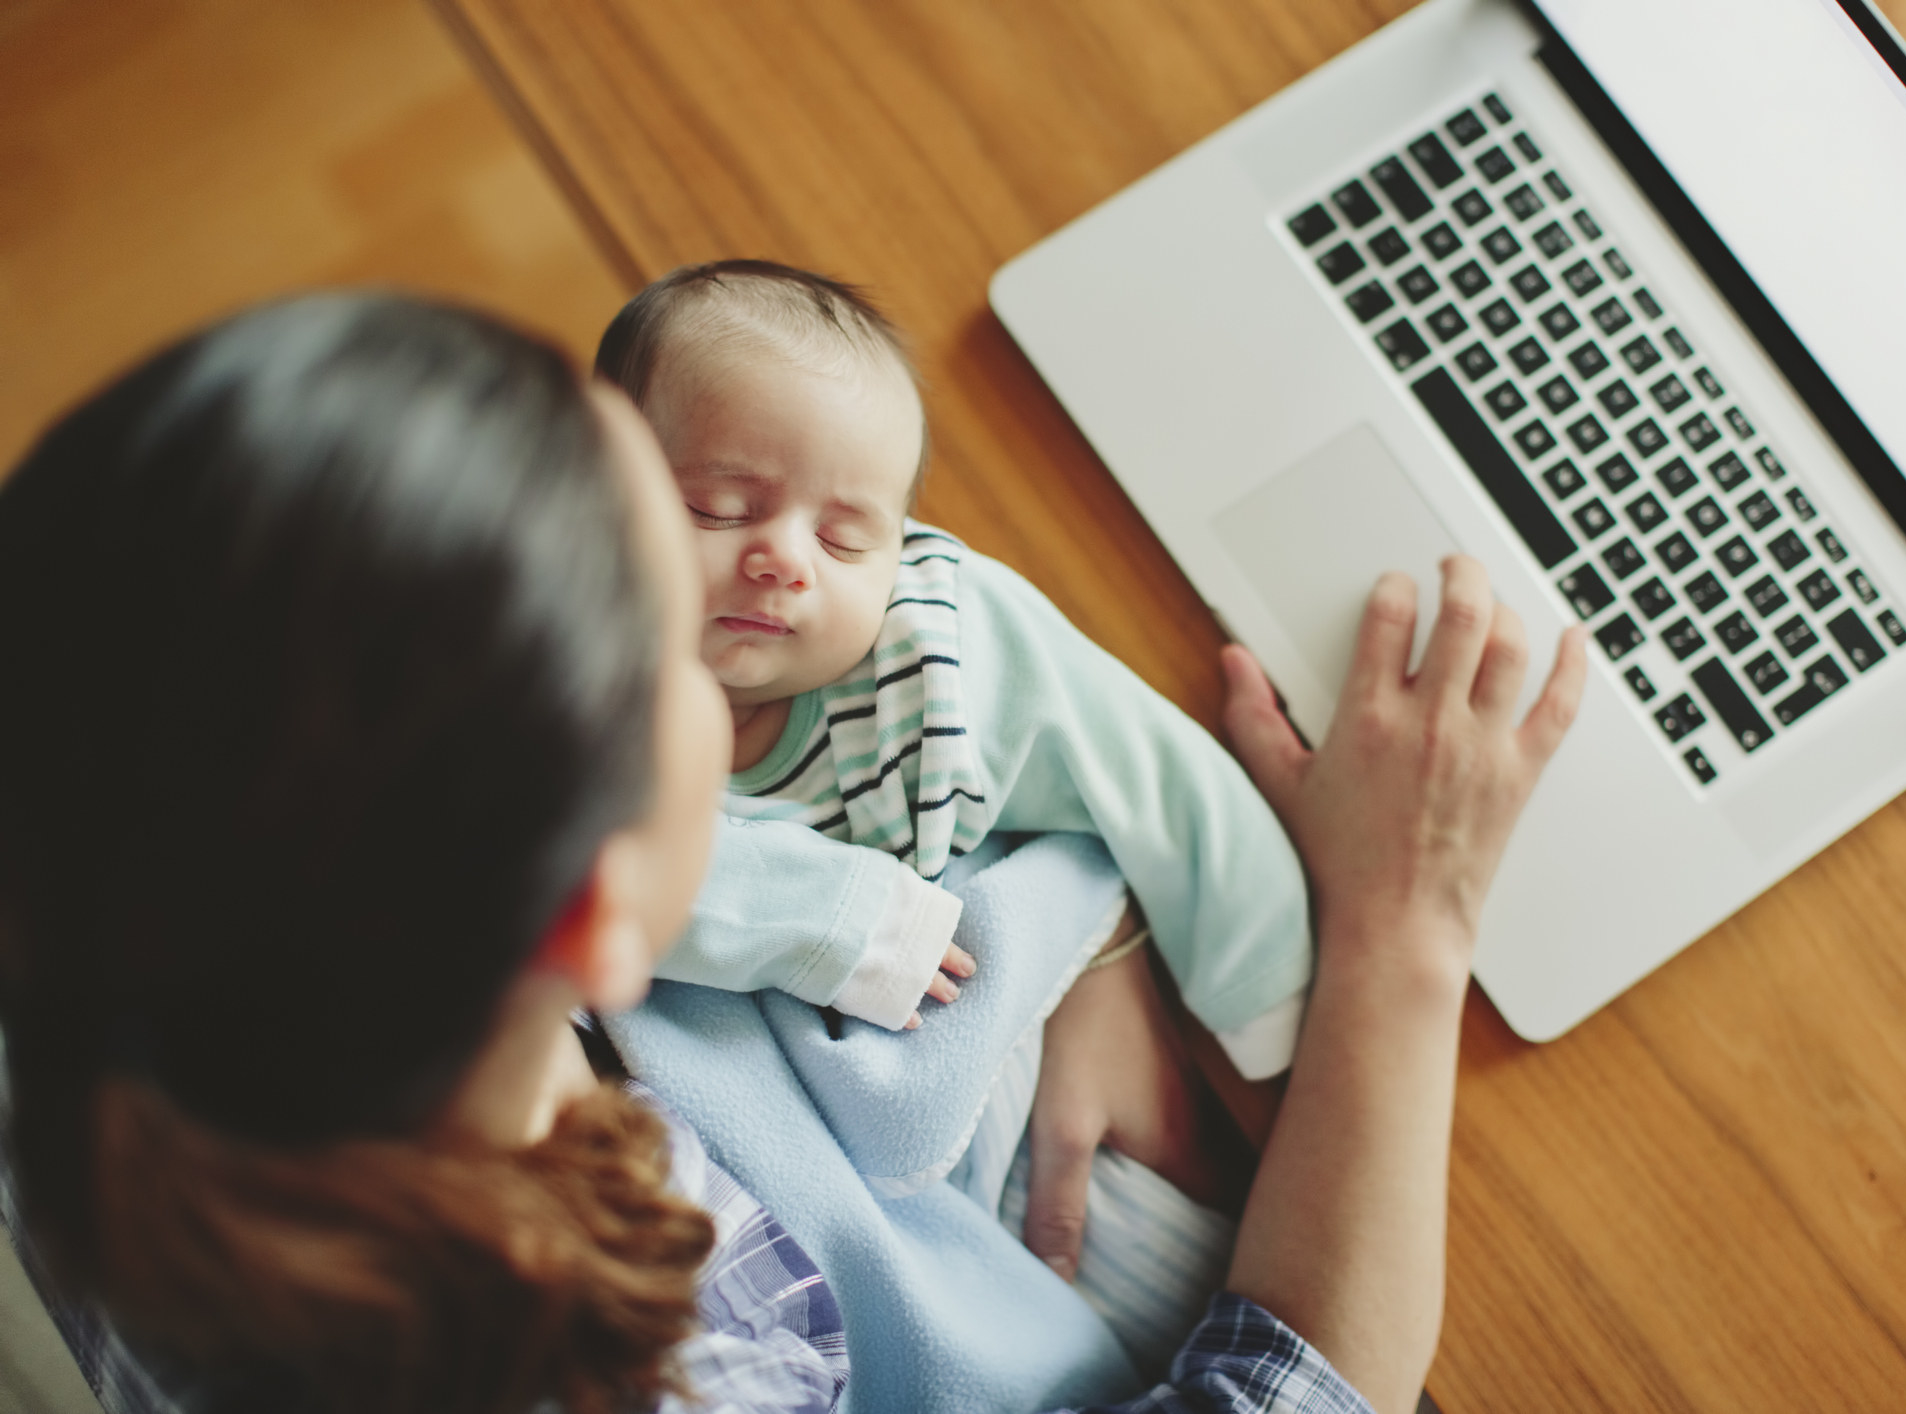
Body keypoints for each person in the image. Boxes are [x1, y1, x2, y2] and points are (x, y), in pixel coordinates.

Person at [0, 292, 1585, 1413]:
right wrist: (1403, 932)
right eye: (669, 647)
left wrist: (1076, 933)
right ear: (616, 905)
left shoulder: (106, 867)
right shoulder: (703, 1367)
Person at [594, 260, 1312, 1089]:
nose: (786, 561)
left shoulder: (938, 647)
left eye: (844, 540)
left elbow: (1155, 774)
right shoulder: (540, 667)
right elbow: (548, 860)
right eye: (722, 508)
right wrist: (830, 920)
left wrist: (1260, 981)